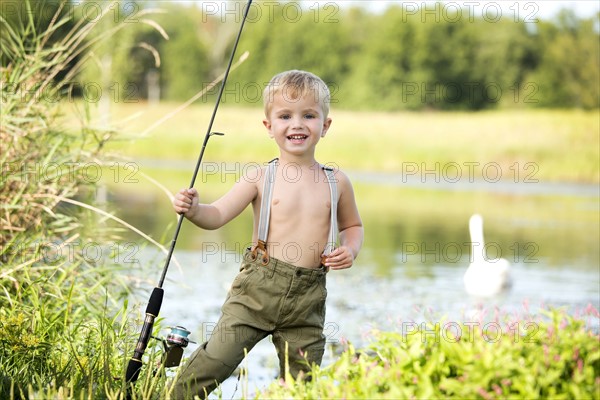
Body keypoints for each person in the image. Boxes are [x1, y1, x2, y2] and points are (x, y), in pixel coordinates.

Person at [171, 70, 364, 399]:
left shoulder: (337, 181)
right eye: (285, 116)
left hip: (307, 300)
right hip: (255, 294)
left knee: (302, 382)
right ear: (269, 126)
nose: (297, 124)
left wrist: (350, 249)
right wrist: (193, 211)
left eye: (309, 115)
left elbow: (353, 227)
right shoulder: (260, 176)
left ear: (325, 125)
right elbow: (216, 215)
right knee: (216, 361)